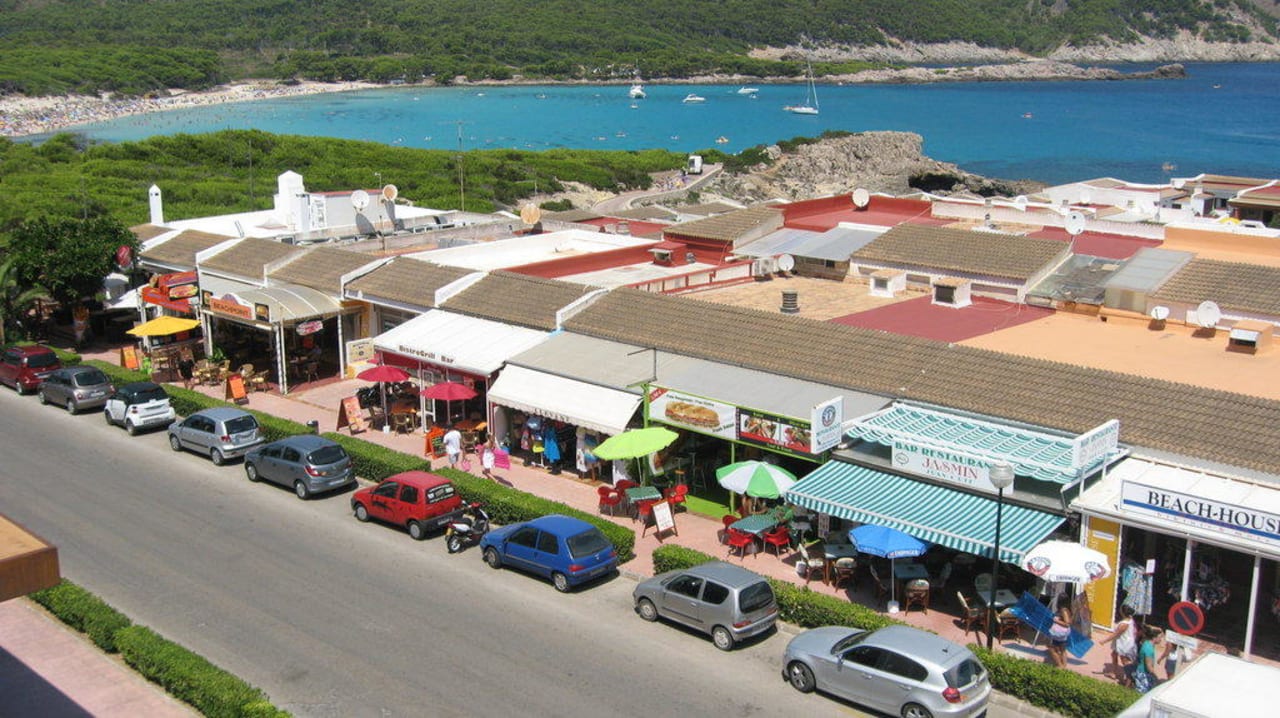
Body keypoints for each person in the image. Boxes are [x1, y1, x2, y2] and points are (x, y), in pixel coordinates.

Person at [1099, 605, 1139, 686]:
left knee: (1125, 662)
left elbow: (1115, 634)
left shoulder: (1124, 624)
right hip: (1123, 642)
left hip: (1124, 644)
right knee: (1114, 654)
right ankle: (1113, 672)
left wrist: (1104, 641)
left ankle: (1129, 679)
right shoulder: (1130, 619)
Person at [1131, 625, 1165, 694]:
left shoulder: (1146, 643)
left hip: (1141, 672)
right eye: (1159, 638)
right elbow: (1149, 666)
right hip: (1144, 674)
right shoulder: (1149, 649)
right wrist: (1156, 677)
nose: (1161, 640)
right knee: (1142, 694)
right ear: (1154, 638)